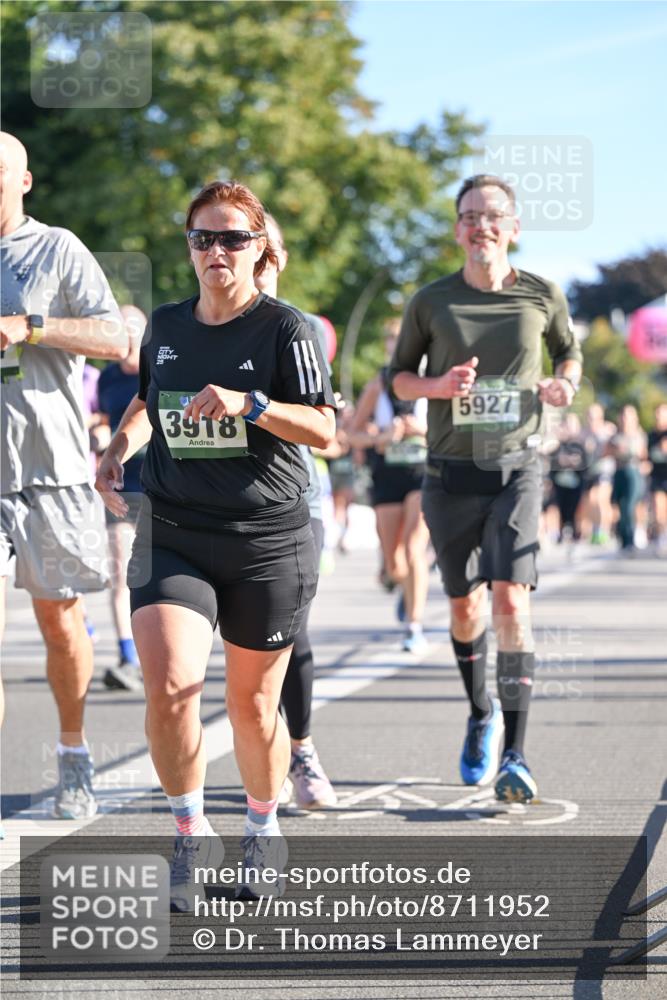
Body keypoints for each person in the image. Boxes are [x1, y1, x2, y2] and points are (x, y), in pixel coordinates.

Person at [95, 181, 336, 908]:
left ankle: (261, 829)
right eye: (204, 237)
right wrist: (119, 445)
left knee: (252, 707)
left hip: (266, 539)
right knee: (170, 687)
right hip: (171, 529)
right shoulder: (166, 326)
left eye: (232, 237)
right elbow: (149, 399)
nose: (217, 251)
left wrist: (252, 405)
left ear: (260, 247)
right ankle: (188, 830)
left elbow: (326, 430)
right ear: (190, 247)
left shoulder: (285, 330)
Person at [390, 173, 583, 802]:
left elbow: (568, 356)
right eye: (470, 215)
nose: (482, 226)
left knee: (510, 603)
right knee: (467, 608)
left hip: (519, 468)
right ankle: (480, 714)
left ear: (514, 228)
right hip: (450, 473)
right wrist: (438, 387)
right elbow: (398, 380)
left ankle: (516, 754)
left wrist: (565, 385)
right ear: (457, 230)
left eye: (494, 215)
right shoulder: (431, 301)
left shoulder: (541, 294)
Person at [0, 131, 127, 821]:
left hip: (51, 469)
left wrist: (32, 327)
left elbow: (115, 340)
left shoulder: (56, 248)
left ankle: (74, 753)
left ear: (24, 181)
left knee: (60, 623)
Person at [254, 213, 337, 810]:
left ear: (277, 257)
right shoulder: (199, 324)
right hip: (219, 505)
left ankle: (302, 750)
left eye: (258, 246)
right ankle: (270, 753)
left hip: (293, 501)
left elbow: (321, 429)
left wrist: (253, 406)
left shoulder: (297, 328)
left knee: (293, 635)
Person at [349, 323, 431, 654]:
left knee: (414, 548)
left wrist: (423, 431)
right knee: (395, 563)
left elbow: (455, 433)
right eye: (394, 344)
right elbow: (351, 435)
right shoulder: (377, 386)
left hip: (423, 474)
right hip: (386, 475)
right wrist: (381, 437)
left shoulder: (433, 385)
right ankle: (401, 584)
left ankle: (414, 625)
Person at [97, 305, 147, 691]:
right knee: (120, 574)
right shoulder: (108, 378)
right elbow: (103, 418)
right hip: (122, 486)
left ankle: (158, 653)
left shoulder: (159, 368)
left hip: (161, 484)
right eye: (120, 325)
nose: (127, 333)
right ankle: (127, 657)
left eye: (133, 326)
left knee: (155, 574)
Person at [608, 404, 648, 552]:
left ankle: (631, 537)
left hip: (633, 471)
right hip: (619, 471)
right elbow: (606, 452)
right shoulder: (615, 436)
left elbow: (643, 455)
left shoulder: (639, 434)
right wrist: (615, 450)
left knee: (630, 505)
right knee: (620, 504)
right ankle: (624, 539)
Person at [579, 403, 615, 545]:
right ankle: (596, 529)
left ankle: (604, 530)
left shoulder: (608, 429)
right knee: (591, 501)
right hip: (590, 471)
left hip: (604, 470)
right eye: (589, 416)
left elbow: (614, 449)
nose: (592, 419)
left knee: (601, 499)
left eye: (595, 416)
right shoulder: (584, 432)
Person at [647, 402, 667, 553]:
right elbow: (646, 455)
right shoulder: (651, 435)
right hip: (657, 476)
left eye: (662, 413)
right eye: (657, 413)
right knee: (657, 507)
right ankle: (661, 537)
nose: (659, 416)